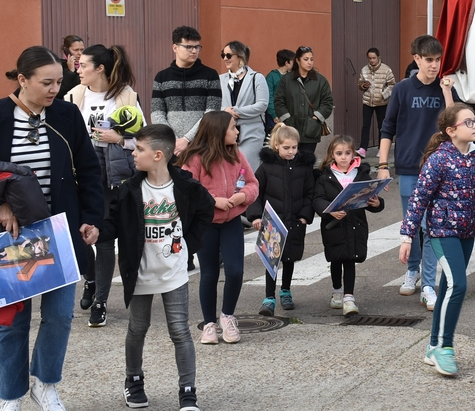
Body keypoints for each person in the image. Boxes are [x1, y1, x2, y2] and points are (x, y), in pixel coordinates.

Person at [0, 46, 104, 410]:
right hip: (13, 238)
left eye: (60, 81)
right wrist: (1, 206)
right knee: (12, 322)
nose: (54, 89)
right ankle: (10, 393)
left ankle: (45, 383)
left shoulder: (66, 114)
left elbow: (90, 170)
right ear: (22, 79)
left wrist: (92, 218)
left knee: (60, 315)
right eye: (46, 82)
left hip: (60, 231)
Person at [98, 124, 214, 411]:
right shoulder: (130, 189)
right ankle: (134, 381)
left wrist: (189, 244)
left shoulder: (185, 187)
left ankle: (188, 392)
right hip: (139, 273)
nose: (133, 154)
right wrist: (97, 233)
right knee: (138, 328)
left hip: (173, 272)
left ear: (159, 155)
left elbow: (206, 209)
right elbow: (113, 222)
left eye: (139, 149)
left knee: (180, 331)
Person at [401, 103, 475, 376]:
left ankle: (432, 345)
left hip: (467, 232)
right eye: (468, 122)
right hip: (442, 231)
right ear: (451, 131)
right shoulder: (439, 159)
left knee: (449, 286)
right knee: (459, 285)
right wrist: (407, 235)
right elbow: (419, 198)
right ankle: (444, 348)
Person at [65, 44, 143, 328]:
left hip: (112, 177)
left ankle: (100, 301)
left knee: (105, 239)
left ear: (100, 68)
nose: (78, 69)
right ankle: (91, 277)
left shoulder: (126, 96)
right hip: (79, 176)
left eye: (83, 64)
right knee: (77, 235)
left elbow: (143, 139)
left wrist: (119, 139)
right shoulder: (73, 96)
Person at [378, 35, 455, 309]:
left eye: (437, 60)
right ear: (417, 59)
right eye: (429, 60)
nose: (434, 66)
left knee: (432, 227)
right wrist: (383, 165)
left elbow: (453, 123)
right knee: (413, 224)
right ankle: (412, 269)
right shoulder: (402, 90)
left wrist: (447, 91)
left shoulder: (445, 89)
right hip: (410, 167)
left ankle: (428, 284)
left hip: (439, 168)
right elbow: (388, 128)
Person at [178, 111, 259, 345]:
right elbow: (188, 190)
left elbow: (254, 184)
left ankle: (227, 316)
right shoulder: (194, 158)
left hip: (231, 221)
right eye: (233, 127)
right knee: (209, 274)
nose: (237, 131)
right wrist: (213, 201)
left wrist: (243, 195)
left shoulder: (236, 155)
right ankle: (209, 323)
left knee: (235, 271)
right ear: (217, 131)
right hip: (206, 225)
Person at [246, 123, 316, 316]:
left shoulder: (304, 167)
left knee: (290, 258)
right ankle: (269, 297)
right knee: (271, 259)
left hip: (294, 220)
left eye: (294, 147)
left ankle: (286, 290)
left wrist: (305, 215)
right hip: (272, 220)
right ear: (276, 145)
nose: (291, 151)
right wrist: (255, 216)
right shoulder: (266, 167)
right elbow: (255, 192)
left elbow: (310, 192)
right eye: (286, 148)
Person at [314, 135, 384, 316]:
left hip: (355, 224)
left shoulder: (360, 174)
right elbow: (318, 199)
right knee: (336, 260)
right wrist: (329, 211)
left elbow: (370, 196)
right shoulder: (326, 176)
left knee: (350, 260)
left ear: (353, 154)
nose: (343, 157)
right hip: (334, 225)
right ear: (332, 155)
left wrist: (376, 203)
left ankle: (349, 297)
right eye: (339, 153)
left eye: (347, 153)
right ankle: (337, 290)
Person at [151, 26, 221, 157]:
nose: (194, 51)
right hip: (170, 146)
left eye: (197, 47)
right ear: (175, 48)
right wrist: (174, 140)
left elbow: (212, 113)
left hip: (202, 145)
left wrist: (187, 139)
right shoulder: (161, 77)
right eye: (188, 47)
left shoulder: (210, 75)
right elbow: (157, 113)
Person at [274, 46, 334, 155]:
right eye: (306, 59)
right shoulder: (287, 80)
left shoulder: (320, 80)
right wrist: (287, 119)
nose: (309, 62)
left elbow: (328, 102)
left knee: (307, 162)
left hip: (311, 129)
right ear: (298, 60)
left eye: (311, 59)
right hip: (291, 127)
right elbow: (279, 101)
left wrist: (316, 117)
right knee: (292, 160)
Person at [219, 40, 268, 172]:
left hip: (251, 133)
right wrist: (224, 110)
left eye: (229, 55)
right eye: (223, 55)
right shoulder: (220, 79)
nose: (225, 58)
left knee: (246, 170)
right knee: (226, 170)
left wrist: (236, 111)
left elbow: (262, 105)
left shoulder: (257, 78)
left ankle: (248, 193)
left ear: (240, 57)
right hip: (225, 134)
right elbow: (213, 105)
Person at [357, 48, 395, 157]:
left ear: (378, 57)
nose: (372, 60)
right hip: (367, 101)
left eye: (374, 58)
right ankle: (363, 149)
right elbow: (360, 83)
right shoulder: (364, 69)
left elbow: (392, 84)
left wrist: (383, 95)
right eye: (370, 58)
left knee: (382, 126)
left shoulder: (386, 69)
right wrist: (363, 85)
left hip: (381, 102)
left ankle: (381, 148)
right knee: (365, 125)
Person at [265, 49, 295, 132]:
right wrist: (274, 114)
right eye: (293, 61)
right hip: (274, 116)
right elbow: (268, 96)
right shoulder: (272, 76)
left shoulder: (292, 76)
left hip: (289, 115)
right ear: (286, 63)